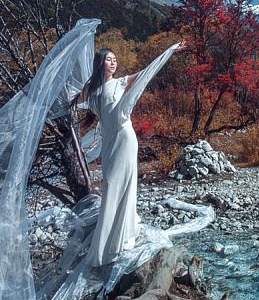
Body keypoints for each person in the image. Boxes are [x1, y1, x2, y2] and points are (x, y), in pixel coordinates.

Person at [74, 41, 184, 266]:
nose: (113, 62)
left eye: (115, 59)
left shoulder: (121, 82)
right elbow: (72, 102)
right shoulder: (91, 90)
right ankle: (109, 240)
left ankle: (119, 239)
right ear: (100, 63)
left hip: (125, 138)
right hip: (109, 142)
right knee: (110, 185)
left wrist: (169, 50)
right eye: (108, 59)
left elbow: (147, 71)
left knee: (122, 185)